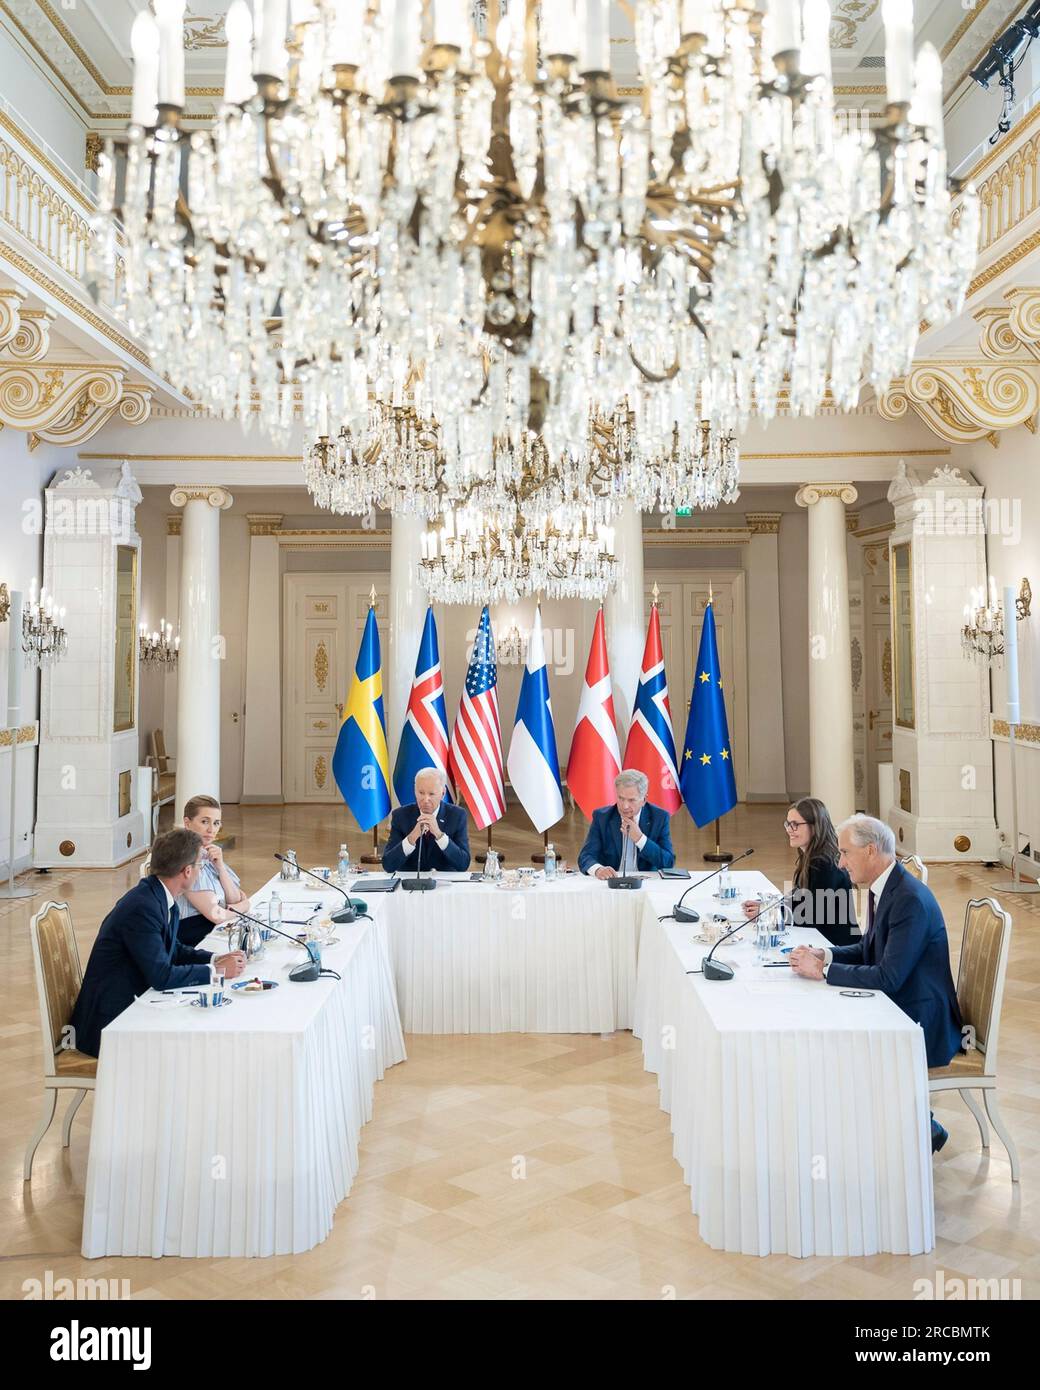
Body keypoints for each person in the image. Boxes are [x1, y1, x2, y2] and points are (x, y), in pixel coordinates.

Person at [789, 814, 963, 1154]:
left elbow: (887, 976)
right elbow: (869, 949)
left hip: (922, 1020)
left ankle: (908, 1129)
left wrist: (823, 972)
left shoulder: (908, 899)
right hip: (905, 1003)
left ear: (870, 851)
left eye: (845, 853)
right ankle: (888, 1127)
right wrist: (824, 954)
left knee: (839, 1040)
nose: (840, 863)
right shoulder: (885, 886)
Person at [69, 829, 246, 1058]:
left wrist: (214, 959)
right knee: (192, 1046)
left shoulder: (157, 894)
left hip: (132, 1002)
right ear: (188, 871)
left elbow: (173, 949)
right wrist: (217, 971)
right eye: (200, 867)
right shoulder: (143, 907)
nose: (200, 872)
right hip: (111, 1024)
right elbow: (162, 977)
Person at [742, 797, 857, 946]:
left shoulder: (825, 863)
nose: (789, 830)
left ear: (815, 826)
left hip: (836, 947)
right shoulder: (814, 855)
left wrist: (770, 913)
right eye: (788, 824)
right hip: (820, 939)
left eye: (795, 824)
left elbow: (811, 914)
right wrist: (769, 905)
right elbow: (802, 899)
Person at [176, 794, 251, 948]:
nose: (211, 830)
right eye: (204, 822)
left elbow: (234, 899)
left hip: (216, 930)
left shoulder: (210, 856)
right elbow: (217, 915)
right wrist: (244, 906)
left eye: (216, 823)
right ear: (187, 823)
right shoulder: (186, 861)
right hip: (192, 939)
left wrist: (221, 867)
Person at [578, 769, 676, 878]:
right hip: (611, 883)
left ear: (643, 800)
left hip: (646, 883)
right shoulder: (602, 817)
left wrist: (640, 839)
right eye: (621, 798)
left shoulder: (659, 817)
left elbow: (668, 862)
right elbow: (585, 856)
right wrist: (598, 870)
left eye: (631, 800)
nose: (624, 806)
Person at [382, 768, 471, 873]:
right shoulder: (400, 816)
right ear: (415, 791)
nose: (425, 799)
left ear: (443, 793)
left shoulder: (457, 816)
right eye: (421, 793)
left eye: (431, 794)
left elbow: (463, 864)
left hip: (445, 885)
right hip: (410, 885)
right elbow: (388, 865)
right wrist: (412, 838)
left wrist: (439, 835)